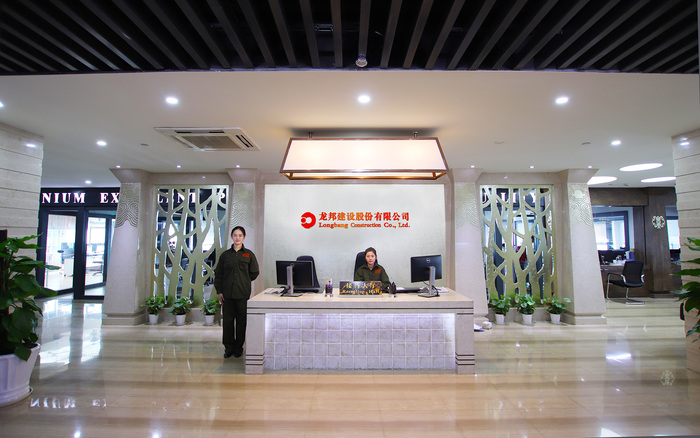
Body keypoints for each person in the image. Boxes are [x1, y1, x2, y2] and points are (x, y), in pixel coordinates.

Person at [214, 226, 259, 359]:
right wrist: (219, 291)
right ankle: (229, 347)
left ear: (243, 237)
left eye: (240, 235)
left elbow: (254, 272)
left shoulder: (249, 255)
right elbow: (219, 274)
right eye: (235, 235)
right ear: (232, 237)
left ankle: (239, 347)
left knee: (241, 322)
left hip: (242, 294)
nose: (237, 238)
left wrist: (244, 280)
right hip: (227, 294)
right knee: (228, 322)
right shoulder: (225, 255)